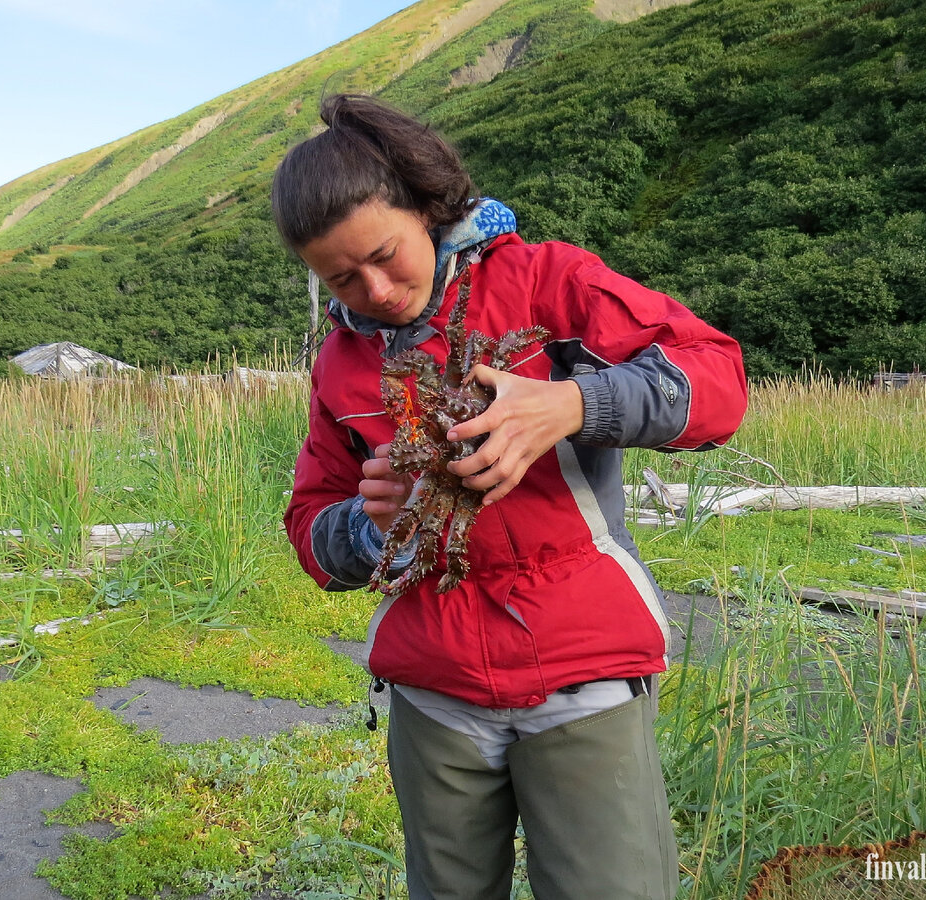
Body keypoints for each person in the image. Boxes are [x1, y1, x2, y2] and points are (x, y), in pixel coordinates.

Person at [272, 93, 747, 900]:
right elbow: (312, 524)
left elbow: (717, 380)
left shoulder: (545, 282)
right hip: (433, 683)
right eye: (341, 279)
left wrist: (573, 404)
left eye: (386, 255)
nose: (378, 290)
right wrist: (367, 521)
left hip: (581, 668)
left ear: (425, 208)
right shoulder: (340, 361)